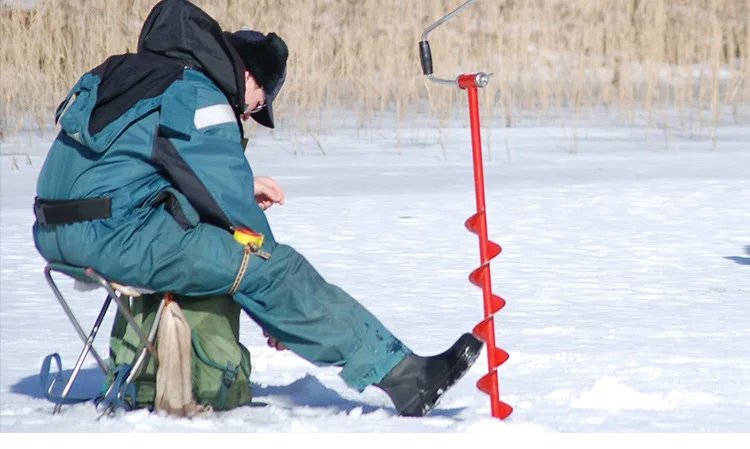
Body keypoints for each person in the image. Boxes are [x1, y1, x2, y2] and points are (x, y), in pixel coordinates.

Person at [32, 0, 483, 417]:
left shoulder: (140, 73)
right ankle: (408, 378)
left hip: (60, 231)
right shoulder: (200, 95)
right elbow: (236, 217)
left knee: (233, 255)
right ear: (249, 76)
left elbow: (149, 170)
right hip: (113, 238)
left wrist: (243, 189)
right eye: (259, 105)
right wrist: (273, 296)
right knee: (273, 267)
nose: (249, 115)